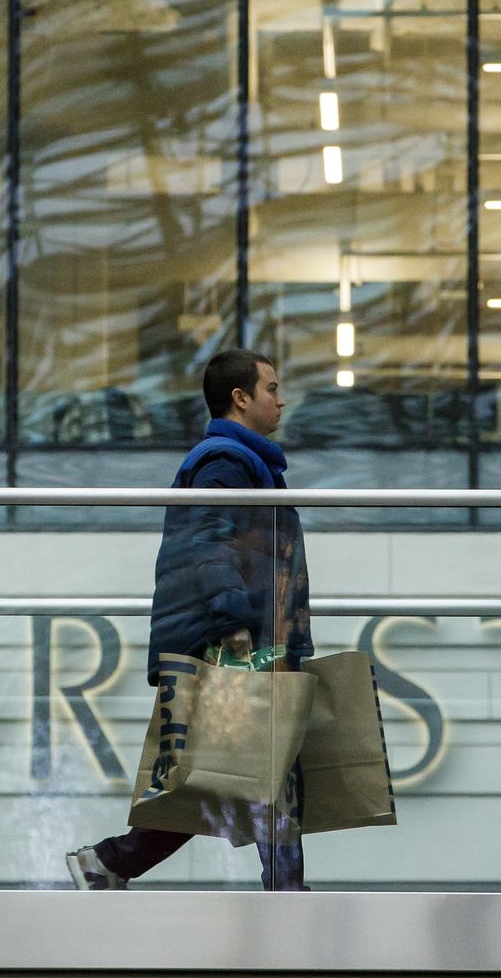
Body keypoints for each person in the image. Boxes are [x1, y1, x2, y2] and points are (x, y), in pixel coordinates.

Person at [65, 348, 313, 891]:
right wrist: (237, 628)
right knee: (268, 772)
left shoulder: (244, 464)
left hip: (246, 638)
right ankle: (289, 896)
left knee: (218, 778)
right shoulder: (224, 462)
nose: (281, 398)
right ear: (240, 398)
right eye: (271, 388)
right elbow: (209, 544)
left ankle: (108, 863)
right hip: (237, 643)